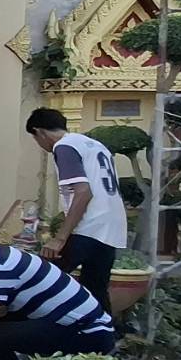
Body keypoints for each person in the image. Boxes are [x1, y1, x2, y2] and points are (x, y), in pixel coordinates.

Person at [24, 107, 126, 317]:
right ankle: (104, 334)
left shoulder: (64, 147)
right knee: (96, 289)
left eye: (35, 139)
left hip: (88, 226)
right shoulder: (95, 145)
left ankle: (24, 327)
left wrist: (59, 238)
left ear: (39, 132)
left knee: (41, 278)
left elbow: (83, 192)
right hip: (111, 228)